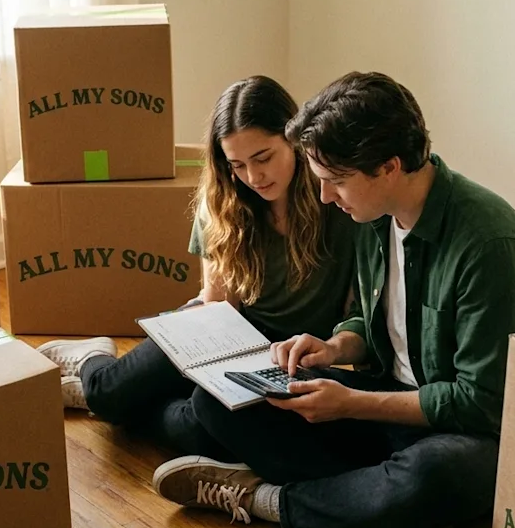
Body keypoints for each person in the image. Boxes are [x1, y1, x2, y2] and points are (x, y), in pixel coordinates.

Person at [151, 71, 515, 528]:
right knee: (221, 400)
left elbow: (481, 403)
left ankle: (266, 498)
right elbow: (369, 321)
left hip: (469, 434)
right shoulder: (373, 217)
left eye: (334, 180)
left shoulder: (487, 243)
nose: (321, 195)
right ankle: (393, 522)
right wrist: (335, 347)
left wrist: (353, 403)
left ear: (389, 167)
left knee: (432, 475)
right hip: (387, 407)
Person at [34, 75, 357, 461]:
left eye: (263, 158)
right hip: (220, 332)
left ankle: (116, 402)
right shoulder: (224, 202)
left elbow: (354, 315)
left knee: (204, 435)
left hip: (284, 358)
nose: (253, 178)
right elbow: (218, 305)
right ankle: (93, 364)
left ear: (293, 139)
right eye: (237, 165)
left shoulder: (337, 201)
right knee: (108, 394)